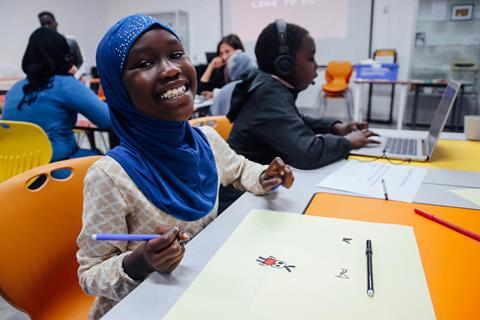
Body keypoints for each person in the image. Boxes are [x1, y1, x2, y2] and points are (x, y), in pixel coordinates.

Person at [76, 15, 294, 320]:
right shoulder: (111, 176)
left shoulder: (205, 139)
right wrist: (140, 262)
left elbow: (239, 169)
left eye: (176, 54)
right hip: (141, 309)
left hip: (199, 289)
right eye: (144, 63)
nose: (170, 69)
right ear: (118, 89)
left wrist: (266, 175)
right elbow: (89, 274)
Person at [227, 20, 379, 170]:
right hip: (242, 193)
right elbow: (307, 153)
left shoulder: (267, 86)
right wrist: (347, 142)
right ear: (285, 64)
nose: (316, 65)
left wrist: (335, 127)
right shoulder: (268, 95)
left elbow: (294, 120)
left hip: (258, 184)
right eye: (310, 58)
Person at [2, 28, 110, 162]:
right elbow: (107, 120)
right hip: (54, 170)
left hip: (16, 170)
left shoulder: (15, 89)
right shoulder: (64, 84)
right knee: (104, 160)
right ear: (62, 54)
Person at [210, 50, 257, 115]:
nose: (224, 57)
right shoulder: (260, 86)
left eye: (227, 52)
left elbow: (212, 119)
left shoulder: (225, 91)